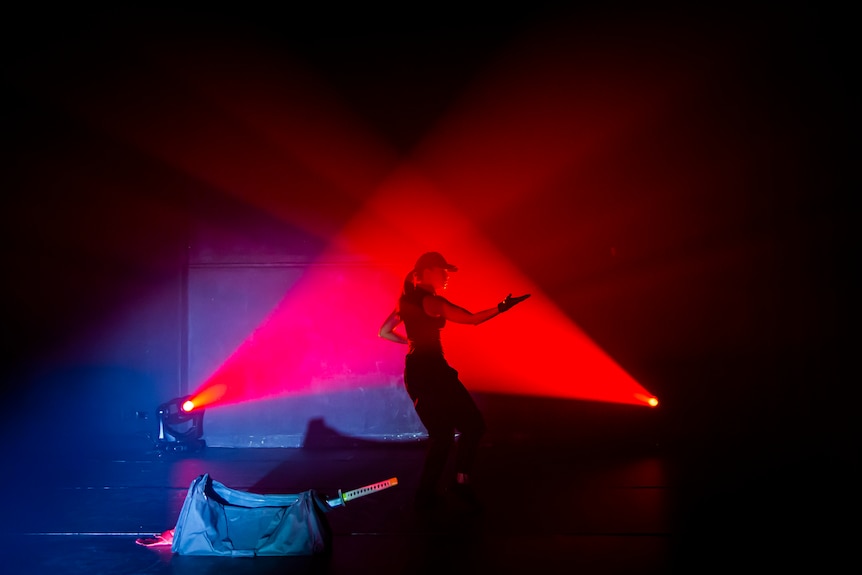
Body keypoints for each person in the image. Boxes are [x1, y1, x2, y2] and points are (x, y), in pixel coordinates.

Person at [378, 251, 530, 510]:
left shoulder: (405, 300)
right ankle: (459, 483)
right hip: (434, 371)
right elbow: (471, 319)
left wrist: (412, 344)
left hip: (416, 371)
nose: (446, 275)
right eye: (442, 270)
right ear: (427, 272)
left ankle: (426, 494)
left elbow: (384, 332)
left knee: (442, 435)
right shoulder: (433, 302)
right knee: (471, 426)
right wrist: (501, 308)